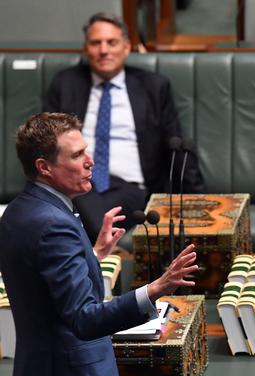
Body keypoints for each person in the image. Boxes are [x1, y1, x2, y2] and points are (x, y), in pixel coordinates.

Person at [0, 112, 199, 376]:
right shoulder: (55, 223)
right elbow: (84, 319)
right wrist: (155, 288)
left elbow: (47, 292)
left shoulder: (20, 212)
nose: (90, 161)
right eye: (76, 155)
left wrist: (93, 254)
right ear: (44, 166)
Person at [44, 12, 205, 242]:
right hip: (78, 182)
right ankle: (107, 249)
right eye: (95, 43)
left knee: (72, 206)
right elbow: (46, 143)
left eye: (112, 42)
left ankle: (98, 247)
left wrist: (199, 198)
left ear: (127, 47)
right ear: (86, 48)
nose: (104, 50)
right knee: (74, 190)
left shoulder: (153, 87)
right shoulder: (65, 84)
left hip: (130, 189)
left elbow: (176, 143)